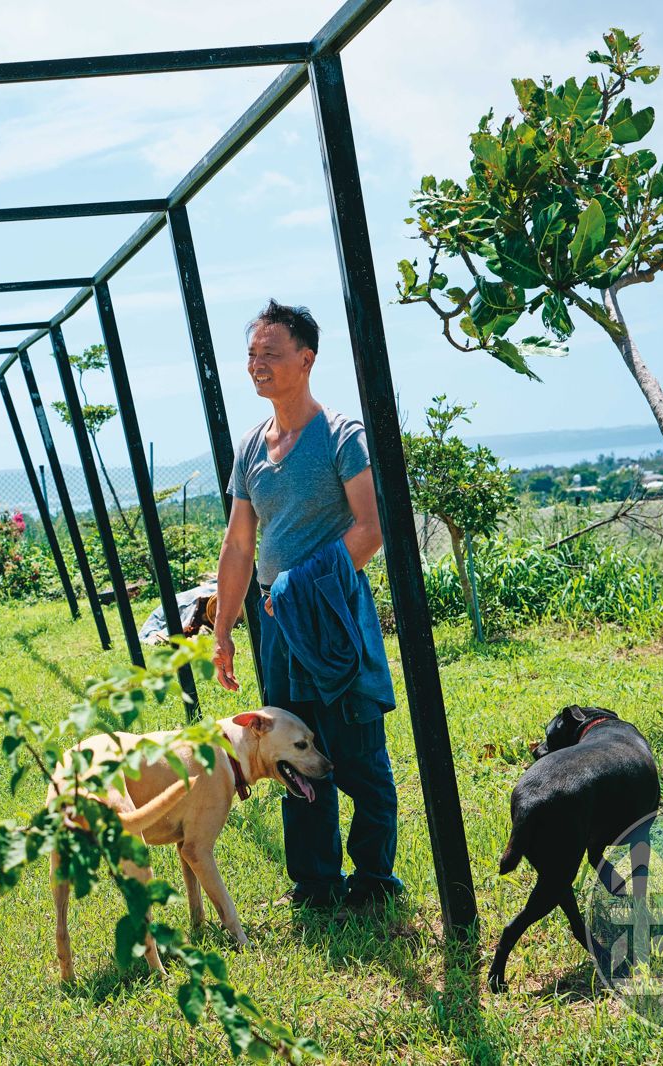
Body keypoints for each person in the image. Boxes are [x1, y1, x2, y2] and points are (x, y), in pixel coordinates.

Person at [211, 299, 404, 911]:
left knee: (357, 751)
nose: (257, 365)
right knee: (289, 750)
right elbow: (240, 546)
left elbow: (372, 528)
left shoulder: (342, 436)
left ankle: (373, 879)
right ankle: (316, 881)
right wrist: (222, 631)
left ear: (306, 358)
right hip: (274, 627)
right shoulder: (251, 447)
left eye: (270, 353)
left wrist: (302, 584)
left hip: (332, 619)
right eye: (251, 354)